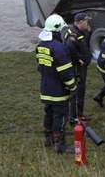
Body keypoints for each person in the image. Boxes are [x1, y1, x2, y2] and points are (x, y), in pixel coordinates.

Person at [36, 14, 77, 154]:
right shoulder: (60, 48)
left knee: (48, 113)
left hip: (46, 88)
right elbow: (65, 72)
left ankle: (48, 139)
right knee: (60, 116)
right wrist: (72, 87)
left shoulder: (41, 45)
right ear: (58, 30)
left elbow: (40, 67)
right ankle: (60, 145)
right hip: (58, 91)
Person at [64, 12, 92, 123]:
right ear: (80, 22)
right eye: (86, 21)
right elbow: (69, 47)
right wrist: (78, 59)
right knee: (77, 91)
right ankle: (74, 117)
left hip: (82, 67)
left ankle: (79, 114)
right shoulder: (73, 34)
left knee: (81, 90)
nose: (87, 23)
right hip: (77, 68)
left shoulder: (81, 31)